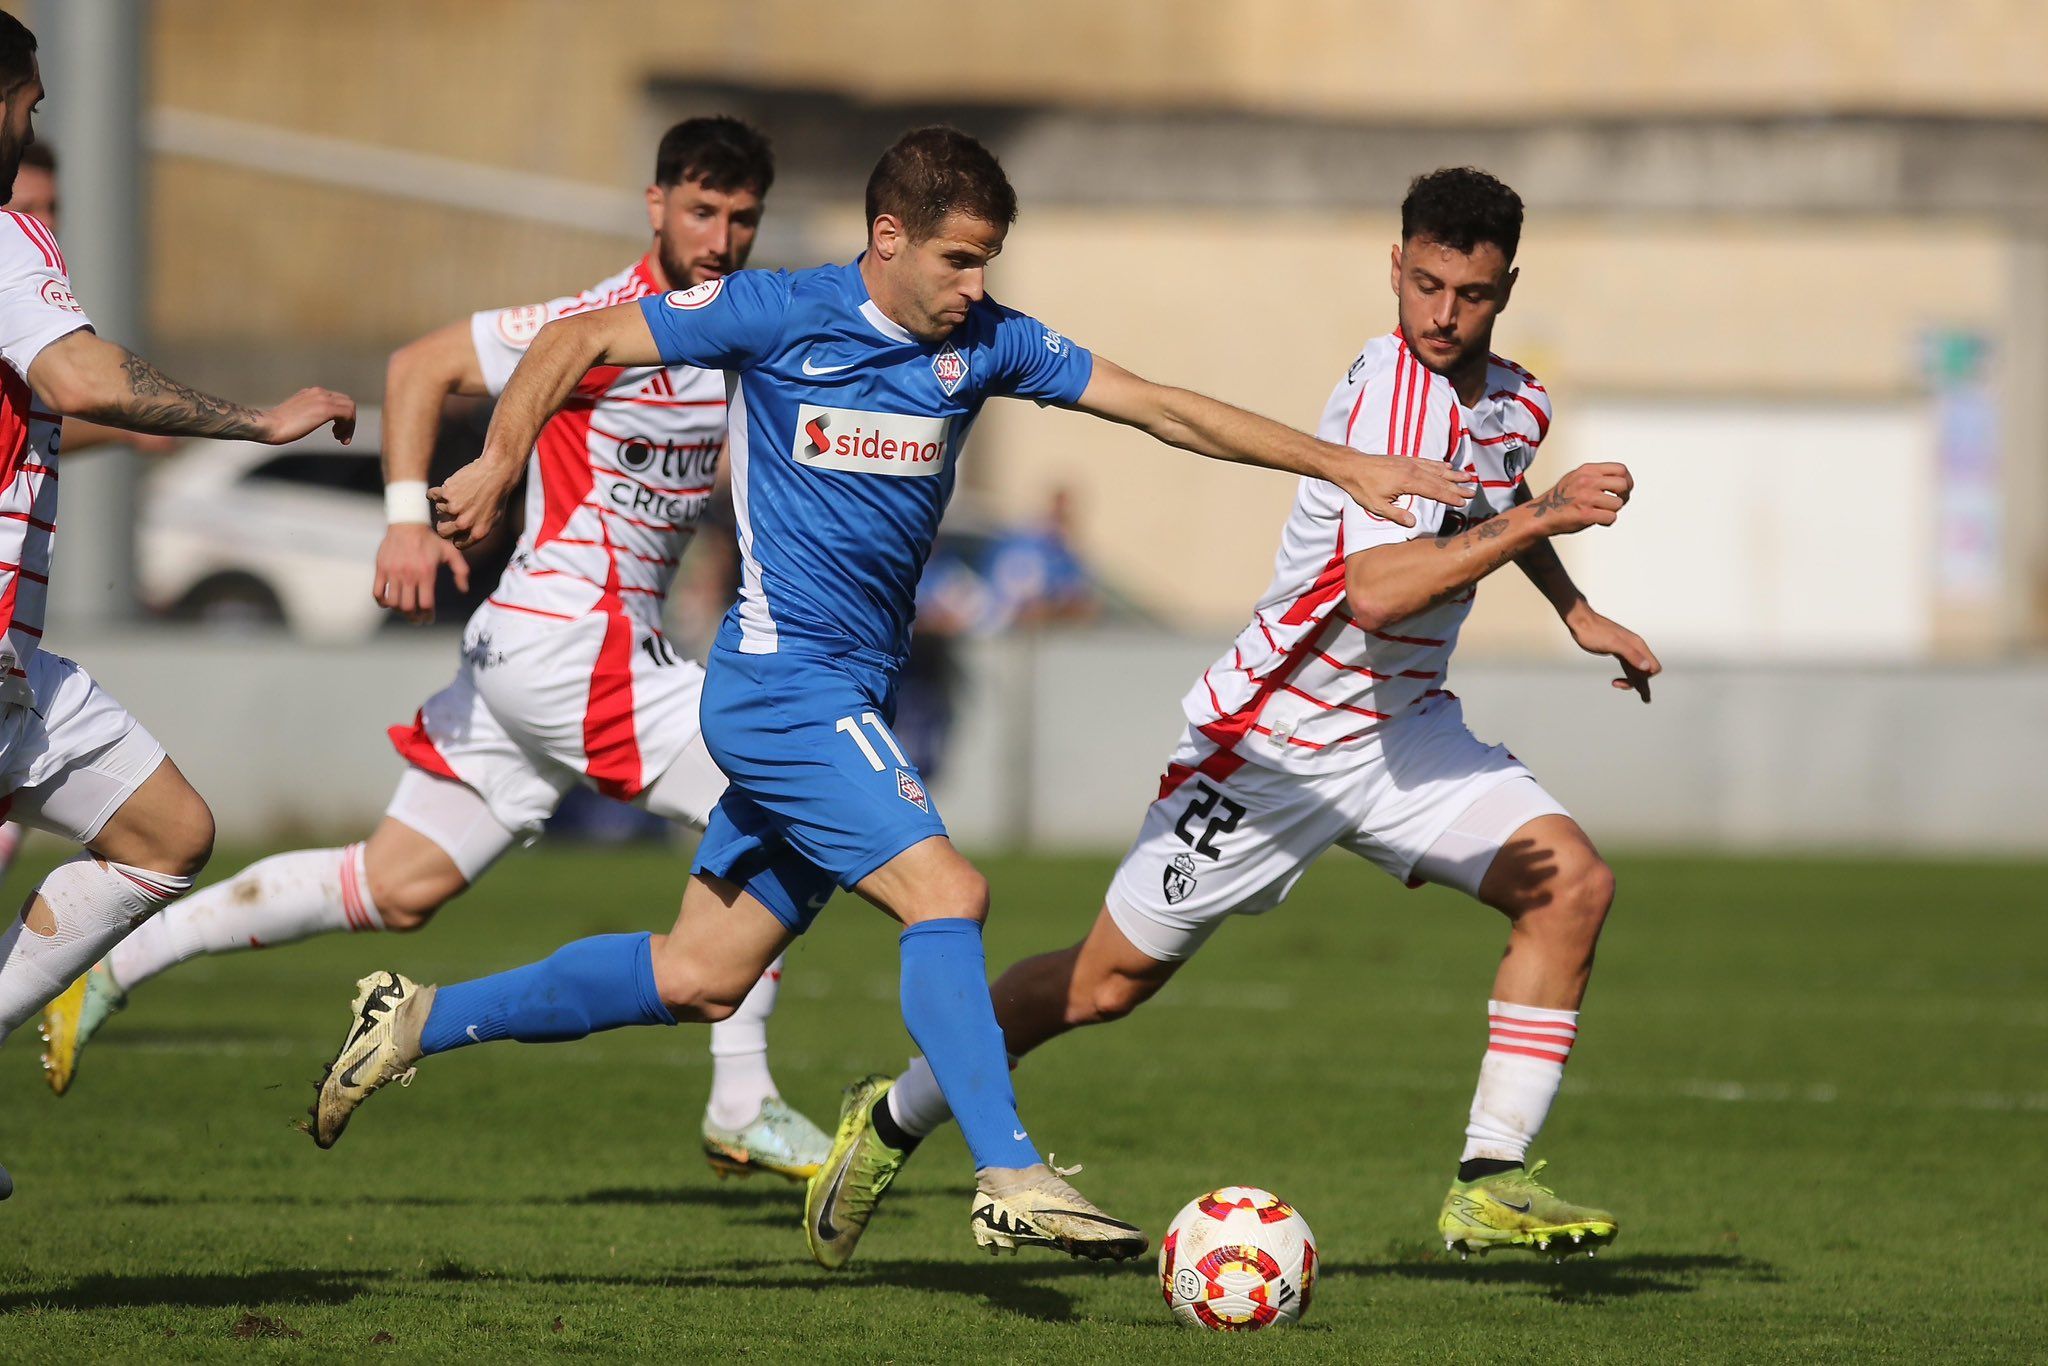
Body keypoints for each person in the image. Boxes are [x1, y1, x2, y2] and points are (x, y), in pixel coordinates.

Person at [306, 126, 1472, 1265]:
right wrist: (502, 459)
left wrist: (1343, 466)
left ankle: (414, 1017)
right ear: (887, 236)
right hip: (777, 693)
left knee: (700, 974)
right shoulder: (776, 311)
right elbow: (573, 341)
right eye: (958, 260)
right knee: (946, 889)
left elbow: (1160, 404)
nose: (976, 286)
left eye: (987, 263)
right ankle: (1009, 1175)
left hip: (845, 694)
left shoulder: (988, 344)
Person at [809, 167, 1663, 1267]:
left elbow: (1493, 498)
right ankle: (890, 1116)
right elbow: (1376, 591)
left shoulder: (1515, 401)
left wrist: (1575, 606)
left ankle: (1488, 1177)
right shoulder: (1382, 393)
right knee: (1101, 984)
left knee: (1573, 885)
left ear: (1505, 288)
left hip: (1403, 733)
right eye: (1425, 283)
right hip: (1270, 743)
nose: (1443, 314)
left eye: (1472, 293)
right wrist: (1546, 512)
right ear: (1393, 268)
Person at [35, 117, 834, 1182]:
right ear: (655, 206)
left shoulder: (736, 336)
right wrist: (405, 515)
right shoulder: (593, 322)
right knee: (779, 794)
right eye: (701, 210)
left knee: (395, 883)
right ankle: (742, 1098)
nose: (721, 236)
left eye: (741, 217)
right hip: (569, 643)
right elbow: (419, 366)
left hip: (543, 657)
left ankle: (119, 961)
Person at [0, 12, 355, 1198]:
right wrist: (257, 419)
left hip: (15, 665)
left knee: (166, 834)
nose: (33, 125)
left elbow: (64, 406)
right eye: (28, 104)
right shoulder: (5, 235)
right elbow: (83, 374)